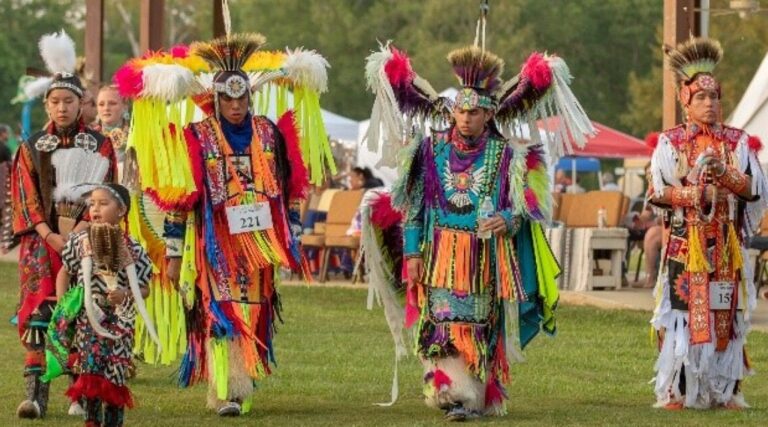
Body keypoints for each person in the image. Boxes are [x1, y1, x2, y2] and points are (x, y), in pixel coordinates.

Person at [364, 28, 593, 418]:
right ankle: (451, 390)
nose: (466, 119)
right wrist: (413, 253)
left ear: (488, 114)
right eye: (461, 111)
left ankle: (470, 395)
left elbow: (525, 208)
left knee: (477, 322)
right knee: (440, 320)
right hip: (439, 254)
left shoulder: (509, 155)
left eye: (474, 113)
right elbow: (415, 207)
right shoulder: (429, 149)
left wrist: (507, 219)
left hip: (484, 257)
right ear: (452, 110)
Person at [113, 32, 330, 417]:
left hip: (260, 244)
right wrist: (175, 253)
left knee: (252, 311)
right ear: (215, 99)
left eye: (241, 98)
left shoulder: (268, 133)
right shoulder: (198, 137)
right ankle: (227, 389)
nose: (235, 106)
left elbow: (289, 189)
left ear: (250, 97)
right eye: (227, 99)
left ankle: (238, 384)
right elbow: (181, 198)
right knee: (221, 313)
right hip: (216, 246)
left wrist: (292, 238)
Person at [648, 37, 768, 410]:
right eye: (701, 97)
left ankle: (726, 391)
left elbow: (754, 190)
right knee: (682, 315)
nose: (709, 103)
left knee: (725, 316)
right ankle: (679, 391)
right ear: (685, 100)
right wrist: (697, 194)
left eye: (714, 96)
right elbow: (658, 192)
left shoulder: (738, 142)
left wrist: (725, 174)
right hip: (686, 246)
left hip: (726, 247)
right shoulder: (671, 142)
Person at [12, 30, 117, 419]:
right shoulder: (31, 147)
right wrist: (49, 234)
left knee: (84, 309)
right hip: (41, 244)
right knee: (39, 312)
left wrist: (82, 229)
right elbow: (25, 197)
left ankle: (81, 392)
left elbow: (107, 192)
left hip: (86, 240)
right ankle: (36, 396)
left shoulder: (100, 145)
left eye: (68, 101)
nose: (61, 108)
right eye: (55, 101)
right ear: (46, 104)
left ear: (81, 103)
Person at [44, 183, 153, 427]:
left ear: (121, 210)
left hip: (121, 323)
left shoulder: (134, 248)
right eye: (92, 204)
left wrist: (125, 294)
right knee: (90, 375)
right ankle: (91, 422)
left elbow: (144, 288)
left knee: (114, 377)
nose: (95, 209)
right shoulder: (79, 242)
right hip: (89, 320)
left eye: (103, 204)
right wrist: (64, 306)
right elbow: (65, 272)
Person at [93, 85, 130, 165]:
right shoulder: (90, 137)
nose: (106, 108)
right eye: (101, 104)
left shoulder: (134, 137)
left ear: (125, 106)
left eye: (112, 103)